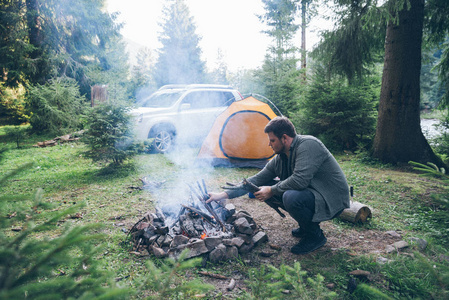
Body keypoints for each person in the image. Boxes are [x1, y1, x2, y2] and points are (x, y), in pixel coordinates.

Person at [207, 116, 350, 254]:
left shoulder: (308, 145)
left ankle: (315, 236)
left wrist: (272, 190)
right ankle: (306, 226)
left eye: (272, 140)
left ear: (285, 138)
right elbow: (256, 180)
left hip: (330, 197)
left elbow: (300, 180)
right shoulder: (281, 157)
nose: (269, 144)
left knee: (290, 196)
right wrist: (222, 195)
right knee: (270, 186)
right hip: (312, 193)